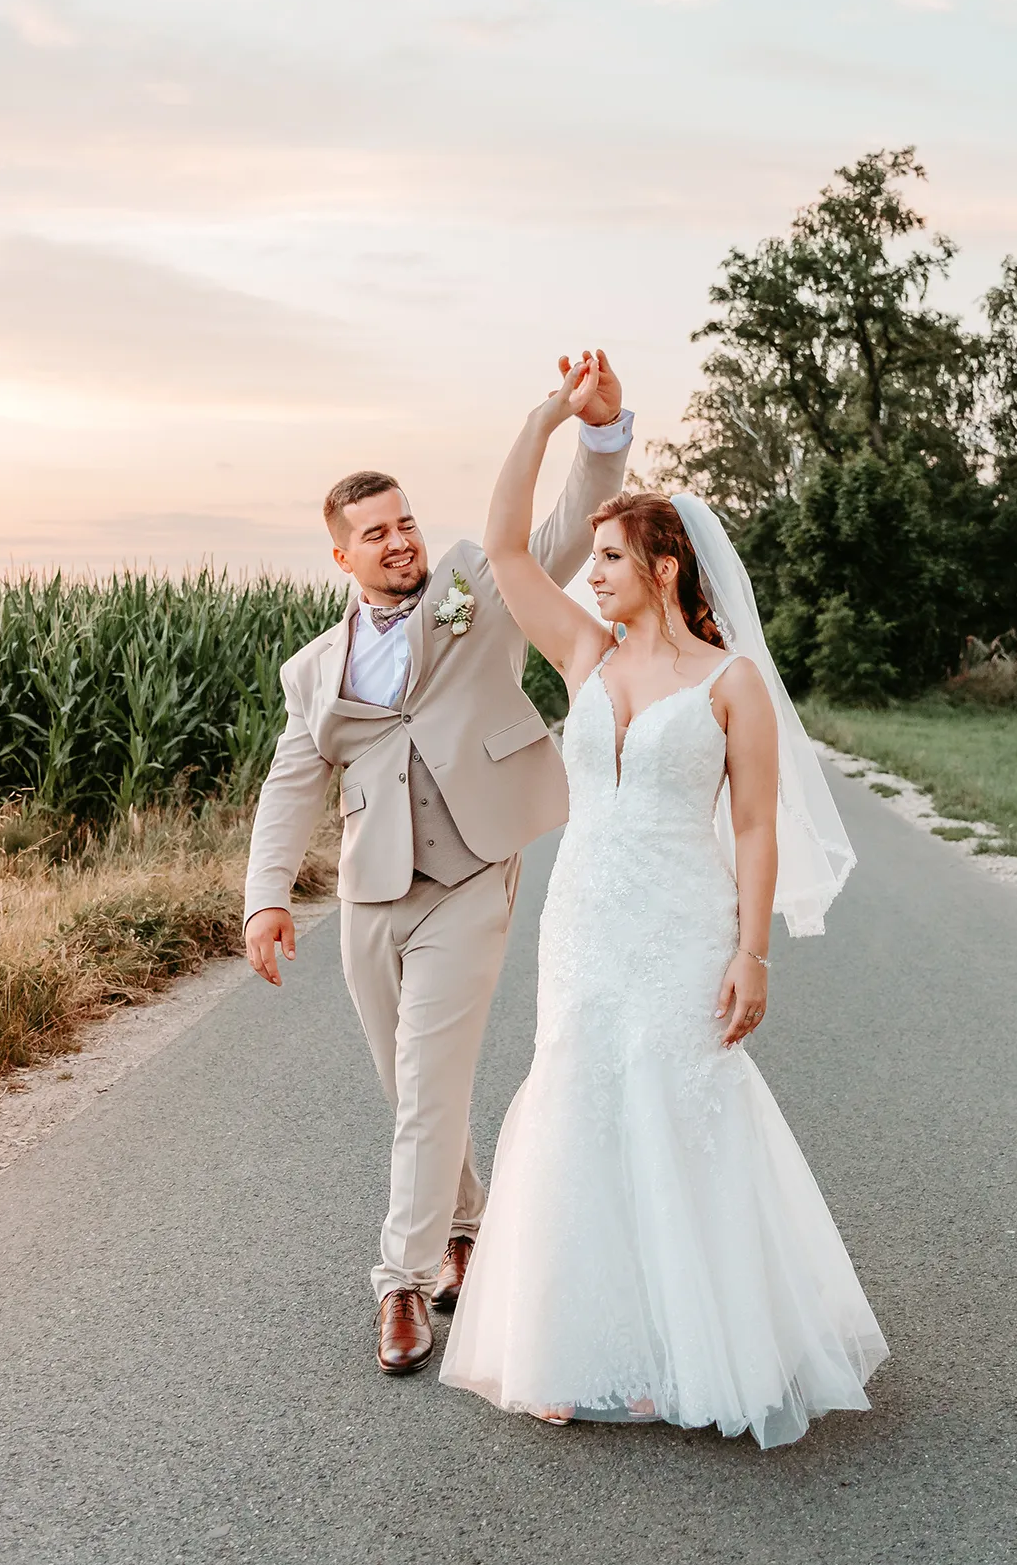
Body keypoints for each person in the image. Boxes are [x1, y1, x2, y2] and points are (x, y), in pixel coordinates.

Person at [439, 352, 886, 1448]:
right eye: (589, 556)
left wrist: (753, 952)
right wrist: (550, 415)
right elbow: (501, 547)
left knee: (673, 1104)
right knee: (579, 1098)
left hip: (683, 922)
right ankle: (574, 1344)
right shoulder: (584, 655)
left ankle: (691, 1339)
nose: (591, 572)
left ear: (666, 563)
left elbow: (752, 827)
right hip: (586, 916)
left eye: (608, 555)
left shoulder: (731, 685)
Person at [240, 354, 632, 1375]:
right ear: (341, 556)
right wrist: (266, 898)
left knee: (428, 1081)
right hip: (370, 893)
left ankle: (401, 1286)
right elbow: (292, 782)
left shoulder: (472, 583)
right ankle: (466, 1226)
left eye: (405, 520)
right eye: (376, 532)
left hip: (471, 872)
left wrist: (594, 432)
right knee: (406, 1084)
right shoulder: (311, 671)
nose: (400, 539)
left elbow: (557, 532)